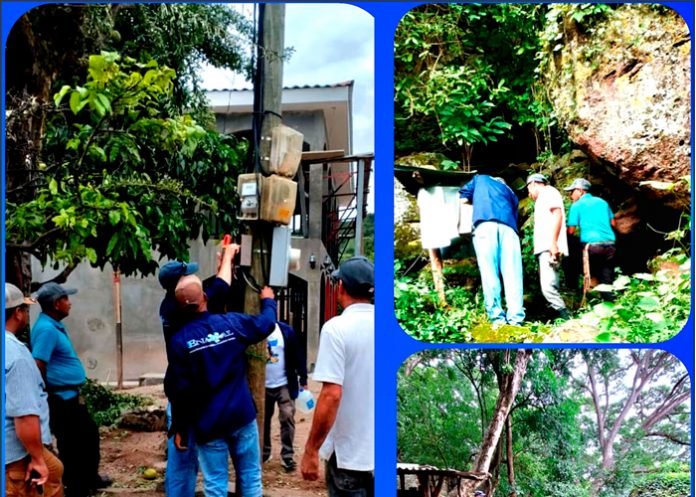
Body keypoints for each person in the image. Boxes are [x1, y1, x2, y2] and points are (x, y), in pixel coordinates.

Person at [164, 274, 277, 497]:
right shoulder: (230, 323)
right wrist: (268, 301)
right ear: (205, 297)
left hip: (209, 425)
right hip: (241, 417)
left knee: (215, 484)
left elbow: (180, 391)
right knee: (251, 478)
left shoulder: (179, 342)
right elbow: (266, 324)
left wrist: (180, 428)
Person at [158, 245, 239, 497]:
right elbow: (221, 288)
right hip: (188, 402)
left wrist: (220, 265)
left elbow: (212, 293)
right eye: (189, 275)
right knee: (189, 466)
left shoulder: (174, 306)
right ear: (180, 287)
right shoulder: (180, 309)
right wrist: (228, 257)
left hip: (182, 397)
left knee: (183, 465)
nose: (196, 278)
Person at [301, 256, 374, 497]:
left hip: (348, 459)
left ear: (340, 287)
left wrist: (311, 449)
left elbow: (331, 394)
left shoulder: (336, 329)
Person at [30, 283, 111, 497]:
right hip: (59, 397)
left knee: (88, 434)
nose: (70, 303)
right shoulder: (46, 329)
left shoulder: (52, 324)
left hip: (69, 394)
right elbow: (38, 363)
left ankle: (88, 478)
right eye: (66, 298)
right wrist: (45, 395)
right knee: (72, 443)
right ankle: (77, 487)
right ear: (57, 304)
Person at [5, 283, 64, 497]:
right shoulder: (16, 355)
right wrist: (37, 458)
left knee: (56, 468)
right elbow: (24, 415)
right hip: (15, 455)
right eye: (25, 309)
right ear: (18, 314)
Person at [458, 175, 525, 326]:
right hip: (509, 229)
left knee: (489, 273)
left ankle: (497, 321)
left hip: (485, 225)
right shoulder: (510, 192)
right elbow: (516, 215)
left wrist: (466, 219)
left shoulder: (479, 179)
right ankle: (516, 321)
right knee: (513, 274)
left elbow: (463, 196)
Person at [263, 321, 308, 471]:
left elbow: (298, 354)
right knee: (263, 420)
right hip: (262, 385)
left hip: (284, 384)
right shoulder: (254, 330)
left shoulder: (286, 331)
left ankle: (287, 456)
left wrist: (303, 378)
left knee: (287, 417)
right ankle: (264, 452)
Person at [526, 173, 571, 320]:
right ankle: (558, 318)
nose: (529, 193)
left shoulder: (548, 192)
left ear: (533, 183)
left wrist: (553, 244)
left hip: (549, 247)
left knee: (548, 288)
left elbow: (557, 215)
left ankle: (566, 319)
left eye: (528, 188)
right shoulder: (543, 197)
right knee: (551, 284)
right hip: (547, 247)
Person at [564, 178, 617, 299]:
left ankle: (572, 291)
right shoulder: (603, 202)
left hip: (591, 247)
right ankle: (610, 301)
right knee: (606, 280)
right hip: (610, 246)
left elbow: (571, 231)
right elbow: (613, 223)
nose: (570, 195)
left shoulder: (576, 206)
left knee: (568, 261)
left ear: (581, 191)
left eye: (572, 192)